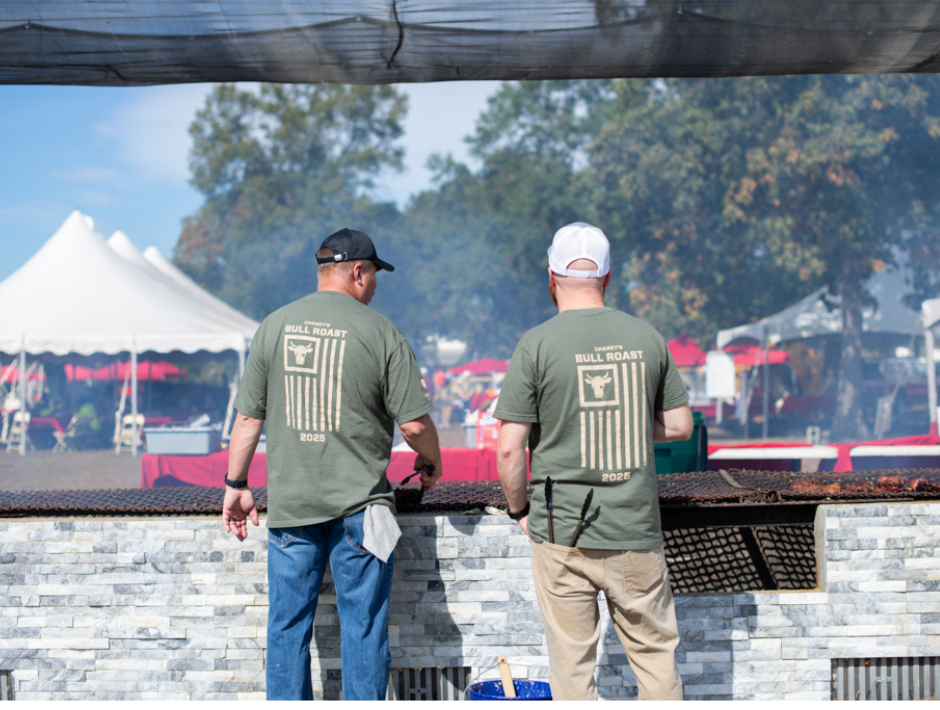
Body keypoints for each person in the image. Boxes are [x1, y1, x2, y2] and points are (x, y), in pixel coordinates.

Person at [221, 227, 443, 701]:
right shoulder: (382, 332)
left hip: (292, 508)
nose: (375, 285)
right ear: (358, 272)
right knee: (363, 629)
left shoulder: (274, 326)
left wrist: (236, 484)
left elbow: (247, 418)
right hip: (363, 509)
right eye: (375, 274)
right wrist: (432, 461)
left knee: (286, 628)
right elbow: (414, 426)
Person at [494, 222, 693, 701]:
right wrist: (626, 419)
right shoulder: (646, 336)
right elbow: (680, 425)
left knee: (572, 668)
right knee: (656, 659)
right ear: (607, 277)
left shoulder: (536, 344)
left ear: (551, 277)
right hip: (635, 530)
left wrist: (520, 510)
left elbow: (508, 448)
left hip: (561, 531)